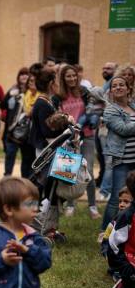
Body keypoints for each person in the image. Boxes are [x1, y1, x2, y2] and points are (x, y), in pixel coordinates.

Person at [53, 64, 99, 219]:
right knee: (68, 172)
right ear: (63, 78)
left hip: (87, 136)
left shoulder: (84, 92)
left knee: (88, 171)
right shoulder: (57, 96)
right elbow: (57, 118)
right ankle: (70, 204)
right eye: (68, 76)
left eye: (74, 75)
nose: (72, 78)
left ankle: (92, 206)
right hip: (68, 138)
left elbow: (92, 111)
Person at [101, 74, 135, 228]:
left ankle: (128, 229)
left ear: (128, 89)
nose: (118, 87)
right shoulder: (110, 111)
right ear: (111, 91)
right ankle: (105, 232)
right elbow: (123, 129)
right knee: (117, 198)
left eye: (121, 84)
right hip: (122, 161)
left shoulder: (134, 106)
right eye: (114, 86)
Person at [2, 67, 34, 178]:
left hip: (27, 131)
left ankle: (25, 181)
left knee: (26, 158)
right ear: (18, 77)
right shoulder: (13, 89)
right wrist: (10, 95)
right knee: (10, 155)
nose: (24, 76)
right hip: (12, 130)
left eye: (26, 74)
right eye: (22, 74)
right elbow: (3, 105)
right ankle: (7, 178)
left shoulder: (32, 92)